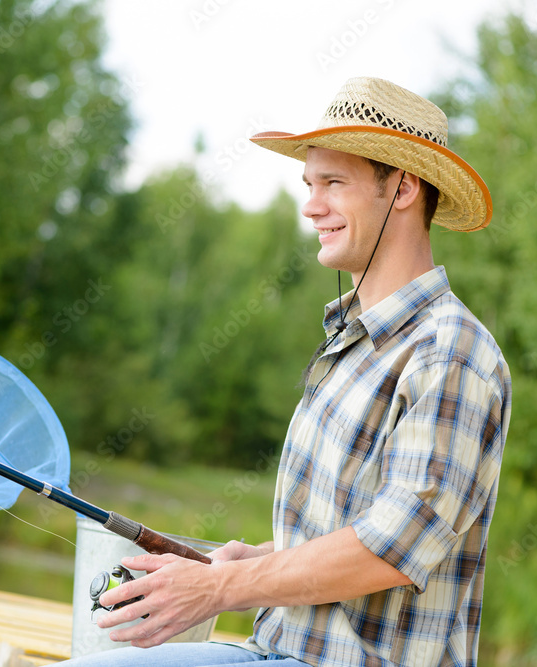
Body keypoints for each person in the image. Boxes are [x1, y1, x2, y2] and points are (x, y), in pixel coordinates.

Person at [58, 77, 511, 666]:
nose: (311, 205)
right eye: (309, 183)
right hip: (274, 650)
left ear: (402, 188)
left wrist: (220, 589)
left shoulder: (451, 354)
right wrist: (262, 563)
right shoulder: (355, 341)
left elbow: (391, 550)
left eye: (333, 183)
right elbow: (360, 523)